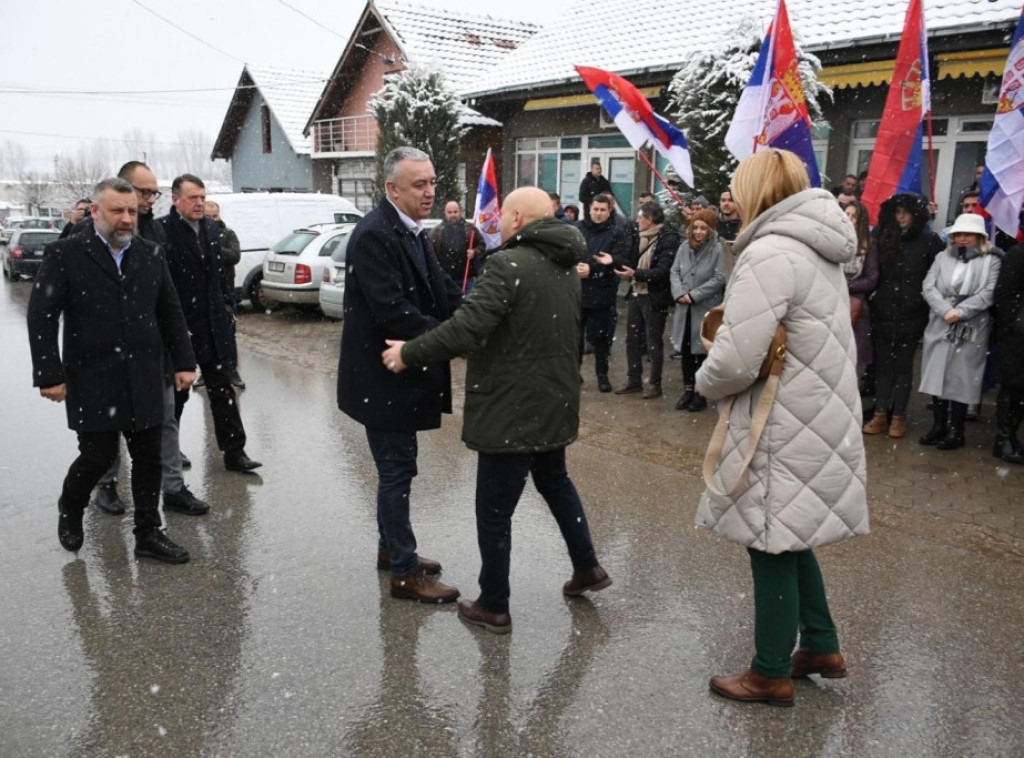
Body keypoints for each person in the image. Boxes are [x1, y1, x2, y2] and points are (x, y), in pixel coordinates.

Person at [381, 187, 612, 633]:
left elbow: (468, 329)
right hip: (553, 401)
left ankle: (494, 603)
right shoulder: (565, 265)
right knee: (556, 483)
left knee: (493, 511)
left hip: (513, 407)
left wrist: (409, 352)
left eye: (503, 214)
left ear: (519, 219)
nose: (498, 223)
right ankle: (587, 567)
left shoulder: (508, 264)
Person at [696, 148, 869, 707]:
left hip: (782, 416)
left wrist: (705, 378)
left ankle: (769, 671)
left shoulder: (770, 251)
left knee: (768, 539)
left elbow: (736, 358)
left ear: (755, 193)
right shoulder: (816, 247)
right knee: (789, 531)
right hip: (816, 408)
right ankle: (820, 644)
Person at [27, 178, 198, 563]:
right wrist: (48, 373)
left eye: (131, 212)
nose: (126, 219)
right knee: (97, 457)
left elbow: (169, 311)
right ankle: (71, 504)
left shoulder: (150, 254)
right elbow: (42, 316)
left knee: (149, 457)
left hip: (144, 374)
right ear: (95, 212)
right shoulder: (65, 254)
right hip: (92, 376)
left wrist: (185, 362)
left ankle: (148, 534)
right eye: (117, 211)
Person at [337, 146, 464, 604]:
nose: (430, 192)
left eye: (432, 182)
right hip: (381, 378)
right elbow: (394, 310)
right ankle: (405, 574)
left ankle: (391, 550)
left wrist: (475, 312)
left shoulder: (411, 230)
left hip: (398, 377)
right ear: (392, 188)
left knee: (397, 470)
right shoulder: (375, 235)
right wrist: (453, 337)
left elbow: (440, 291)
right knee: (396, 471)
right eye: (419, 184)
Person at [89, 161, 208, 517]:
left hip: (155, 349)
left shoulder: (155, 231)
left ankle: (172, 489)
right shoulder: (87, 237)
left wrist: (177, 336)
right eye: (144, 192)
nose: (149, 199)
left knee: (165, 419)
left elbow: (166, 293)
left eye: (153, 192)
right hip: (107, 352)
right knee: (110, 422)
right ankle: (107, 484)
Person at [160, 174, 262, 474]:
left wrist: (228, 308)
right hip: (183, 328)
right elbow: (163, 286)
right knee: (177, 396)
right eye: (193, 197)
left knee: (223, 391)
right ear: (176, 199)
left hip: (214, 325)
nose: (200, 203)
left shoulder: (212, 229)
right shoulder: (163, 232)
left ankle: (235, 452)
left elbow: (219, 276)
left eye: (202, 197)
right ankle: (170, 450)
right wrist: (174, 326)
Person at [863, 193, 944, 437]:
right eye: (897, 212)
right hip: (884, 309)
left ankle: (898, 415)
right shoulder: (883, 236)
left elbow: (939, 274)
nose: (901, 218)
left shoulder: (929, 241)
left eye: (906, 212)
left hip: (912, 311)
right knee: (883, 365)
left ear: (916, 215)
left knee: (904, 366)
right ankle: (879, 413)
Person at [918, 214, 1002, 450]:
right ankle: (939, 425)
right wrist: (945, 309)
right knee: (937, 372)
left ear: (978, 236)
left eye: (968, 234)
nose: (962, 239)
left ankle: (957, 430)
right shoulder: (942, 257)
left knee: (962, 376)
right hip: (941, 321)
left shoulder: (991, 260)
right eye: (958, 234)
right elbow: (929, 286)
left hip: (971, 325)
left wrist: (961, 311)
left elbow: (989, 292)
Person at [613, 201, 680, 398]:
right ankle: (634, 379)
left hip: (654, 296)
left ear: (650, 220)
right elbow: (631, 260)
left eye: (640, 217)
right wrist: (616, 263)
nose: (637, 220)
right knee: (632, 338)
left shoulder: (668, 239)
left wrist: (637, 273)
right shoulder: (639, 236)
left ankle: (655, 383)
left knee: (653, 341)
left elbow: (663, 271)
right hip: (636, 292)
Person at [576, 193, 634, 392]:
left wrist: (593, 268)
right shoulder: (577, 229)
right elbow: (569, 252)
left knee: (601, 337)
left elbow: (621, 259)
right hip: (578, 291)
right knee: (575, 336)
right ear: (589, 209)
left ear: (609, 211)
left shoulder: (617, 231)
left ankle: (602, 374)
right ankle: (574, 372)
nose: (599, 213)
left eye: (603, 210)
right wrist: (577, 267)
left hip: (603, 291)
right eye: (596, 209)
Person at [670, 208, 726, 412]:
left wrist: (694, 295)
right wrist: (679, 292)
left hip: (703, 308)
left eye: (703, 228)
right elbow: (674, 270)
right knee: (686, 350)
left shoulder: (718, 249)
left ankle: (700, 393)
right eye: (695, 228)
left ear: (710, 230)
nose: (698, 232)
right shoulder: (684, 247)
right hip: (684, 307)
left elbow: (719, 278)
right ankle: (687, 389)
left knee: (701, 352)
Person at [203, 200, 245, 389]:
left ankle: (231, 370)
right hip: (203, 292)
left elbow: (234, 256)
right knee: (204, 335)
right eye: (208, 216)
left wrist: (214, 247)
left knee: (229, 333)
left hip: (225, 291)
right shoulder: (196, 234)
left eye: (214, 215)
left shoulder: (228, 234)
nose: (211, 219)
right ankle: (205, 371)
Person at [843, 200, 880, 411]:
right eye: (845, 214)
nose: (848, 219)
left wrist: (846, 284)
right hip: (832, 306)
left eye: (853, 216)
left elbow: (872, 279)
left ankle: (848, 409)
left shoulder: (869, 246)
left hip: (855, 310)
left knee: (851, 363)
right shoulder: (834, 242)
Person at [993, 238, 1024, 463]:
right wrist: (1017, 322)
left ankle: (1012, 436)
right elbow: (1004, 295)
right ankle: (1004, 437)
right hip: (1017, 337)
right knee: (1013, 387)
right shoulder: (1017, 254)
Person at [429, 200, 485, 289]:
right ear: (445, 213)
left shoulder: (470, 229)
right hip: (445, 280)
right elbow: (430, 254)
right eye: (449, 212)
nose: (453, 215)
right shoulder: (436, 232)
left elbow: (482, 245)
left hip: (467, 279)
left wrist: (474, 252)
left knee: (468, 302)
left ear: (460, 212)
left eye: (455, 212)